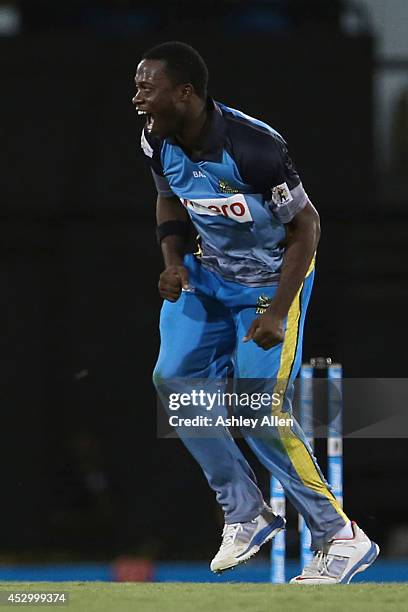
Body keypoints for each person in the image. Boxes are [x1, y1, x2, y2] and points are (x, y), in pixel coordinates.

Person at [133, 41, 379, 584]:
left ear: (185, 93)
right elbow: (170, 197)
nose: (137, 99)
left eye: (147, 88)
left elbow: (307, 227)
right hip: (206, 277)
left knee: (256, 410)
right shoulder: (155, 136)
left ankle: (341, 536)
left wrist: (277, 312)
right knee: (173, 381)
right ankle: (245, 512)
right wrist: (173, 261)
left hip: (270, 287)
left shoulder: (255, 148)